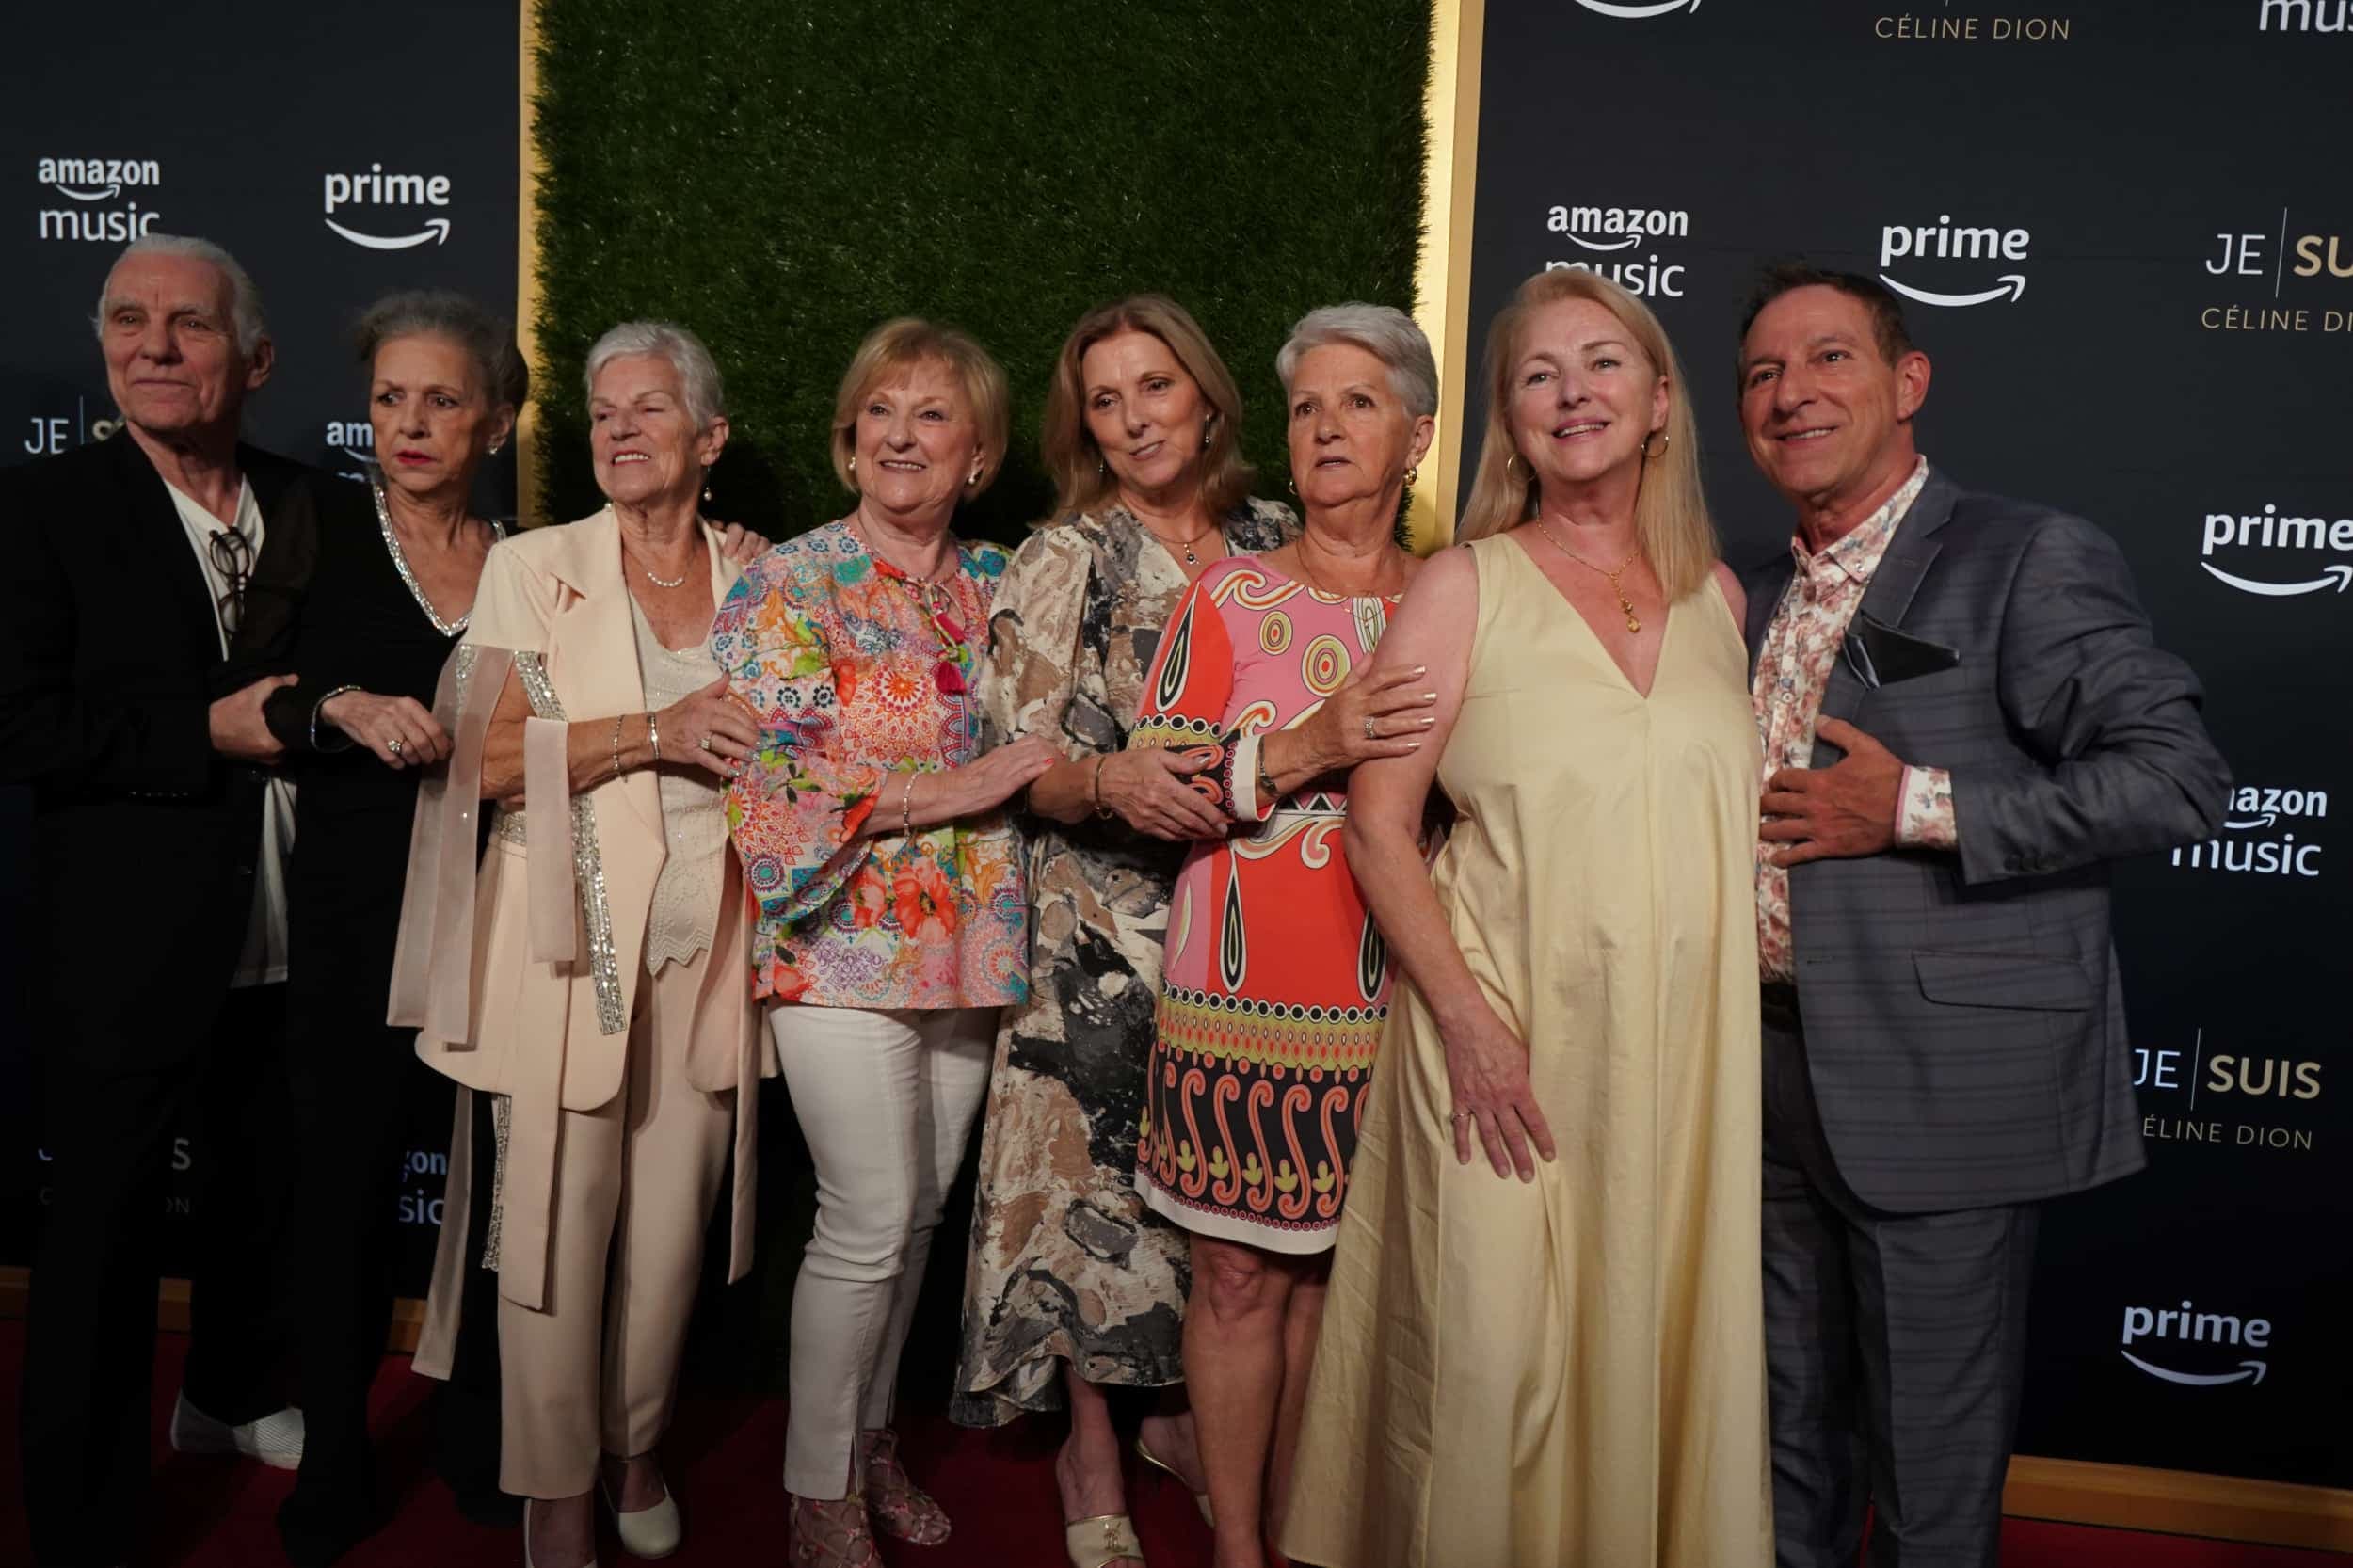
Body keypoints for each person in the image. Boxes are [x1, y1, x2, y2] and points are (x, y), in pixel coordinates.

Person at [1730, 264, 2229, 1567]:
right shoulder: (1749, 594)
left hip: (1939, 1088)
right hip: (1756, 1076)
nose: (1792, 393)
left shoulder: (2024, 555)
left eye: (1829, 358)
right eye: (1764, 373)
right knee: (1780, 1454)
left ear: (1908, 383)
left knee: (1931, 1480)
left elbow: (2177, 779)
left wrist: (1916, 806)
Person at [1284, 267, 1771, 1568]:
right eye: (1540, 374)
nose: (1574, 393)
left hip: (1678, 1065)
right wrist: (1469, 1026)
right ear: (1510, 419)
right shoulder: (1465, 585)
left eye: (1604, 363)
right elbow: (1378, 824)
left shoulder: (1720, 602)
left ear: (1659, 401)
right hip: (1500, 1049)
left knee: (1646, 1338)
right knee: (1487, 1369)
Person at [392, 320, 771, 1568]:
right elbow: (487, 758)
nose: (618, 430)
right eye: (603, 412)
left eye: (648, 408)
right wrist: (655, 731)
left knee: (668, 1239)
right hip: (565, 954)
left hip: (709, 954)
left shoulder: (766, 578)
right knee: (552, 1230)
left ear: (709, 437)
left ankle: (636, 1446)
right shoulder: (536, 568)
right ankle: (555, 1485)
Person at [952, 296, 1293, 1556]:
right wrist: (1110, 780)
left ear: (1206, 396)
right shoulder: (1066, 556)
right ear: (1083, 427)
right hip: (1098, 930)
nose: (1136, 417)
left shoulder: (1279, 537)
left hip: (1257, 927)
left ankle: (1188, 1422)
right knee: (1093, 1189)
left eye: (1156, 385)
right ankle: (1091, 1446)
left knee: (1226, 1203)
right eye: (1106, 399)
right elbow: (1020, 764)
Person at [715, 318, 1055, 1568]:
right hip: (838, 942)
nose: (900, 436)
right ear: (849, 439)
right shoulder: (789, 583)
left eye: (932, 415)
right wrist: (963, 788)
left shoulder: (1007, 582)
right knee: (863, 1215)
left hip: (974, 943)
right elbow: (773, 788)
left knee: (918, 1217)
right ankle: (815, 1491)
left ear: (979, 454)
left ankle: (870, 1444)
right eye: (880, 412)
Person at [1, 233, 311, 1568]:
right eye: (129, 319)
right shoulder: (43, 508)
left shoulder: (311, 501)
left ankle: (228, 1395)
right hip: (127, 941)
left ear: (255, 357)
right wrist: (203, 734)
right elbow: (18, 725)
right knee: (99, 1246)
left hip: (294, 926)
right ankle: (83, 1526)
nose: (154, 347)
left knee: (265, 1192)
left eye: (189, 324)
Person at [1127, 303, 1438, 1568]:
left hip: (1401, 1002)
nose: (1326, 428)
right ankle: (1239, 1546)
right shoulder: (1229, 596)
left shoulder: (1461, 599)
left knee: (1336, 1288)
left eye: (1358, 403)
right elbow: (1158, 790)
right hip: (1236, 1002)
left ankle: (1305, 1536)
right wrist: (1310, 744)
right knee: (1242, 1278)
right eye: (1307, 407)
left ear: (1418, 437)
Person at [252, 288, 518, 1566]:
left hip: (502, 925)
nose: (408, 424)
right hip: (354, 923)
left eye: (442, 399)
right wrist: (340, 703)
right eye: (388, 398)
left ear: (497, 422)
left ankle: (480, 1441)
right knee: (342, 1196)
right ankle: (337, 1456)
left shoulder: (531, 562)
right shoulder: (315, 520)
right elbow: (244, 693)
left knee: (496, 1196)